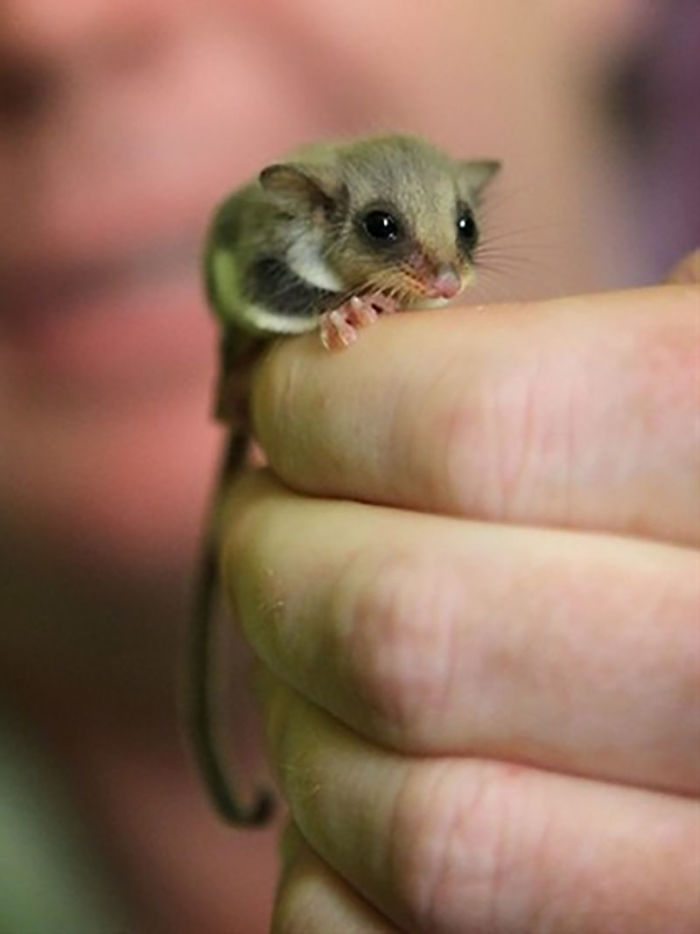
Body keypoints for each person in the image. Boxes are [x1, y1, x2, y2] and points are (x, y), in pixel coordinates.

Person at [0, 1, 697, 931]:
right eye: (383, 235)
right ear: (313, 210)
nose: (52, 27)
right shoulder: (270, 246)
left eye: (457, 235)